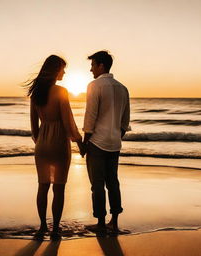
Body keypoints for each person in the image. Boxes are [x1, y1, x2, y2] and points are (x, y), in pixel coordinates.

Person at [28, 55, 83, 240]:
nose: (64, 72)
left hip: (42, 145)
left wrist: (42, 141)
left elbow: (34, 128)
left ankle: (42, 227)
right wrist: (79, 141)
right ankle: (55, 230)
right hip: (59, 145)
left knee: (42, 186)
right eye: (62, 68)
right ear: (55, 70)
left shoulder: (36, 94)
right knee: (58, 189)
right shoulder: (61, 91)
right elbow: (68, 123)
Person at [82, 51, 130, 234]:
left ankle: (101, 223)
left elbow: (90, 116)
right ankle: (115, 222)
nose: (90, 69)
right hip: (115, 143)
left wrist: (86, 142)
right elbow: (125, 121)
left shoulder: (95, 85)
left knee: (97, 184)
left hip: (97, 142)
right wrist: (116, 137)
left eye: (93, 65)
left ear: (101, 65)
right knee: (113, 182)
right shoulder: (123, 88)